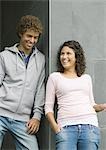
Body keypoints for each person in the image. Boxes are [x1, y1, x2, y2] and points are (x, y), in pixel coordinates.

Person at [45, 40, 106, 150]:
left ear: (77, 57)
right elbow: (48, 108)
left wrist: (101, 106)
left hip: (89, 127)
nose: (64, 57)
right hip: (66, 129)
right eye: (62, 54)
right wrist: (55, 127)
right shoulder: (55, 77)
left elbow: (92, 104)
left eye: (68, 53)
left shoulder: (86, 78)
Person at [0, 15, 45, 150]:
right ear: (21, 33)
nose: (32, 40)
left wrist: (36, 116)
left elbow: (40, 89)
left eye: (35, 38)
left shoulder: (41, 60)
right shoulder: (4, 56)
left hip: (23, 119)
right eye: (29, 36)